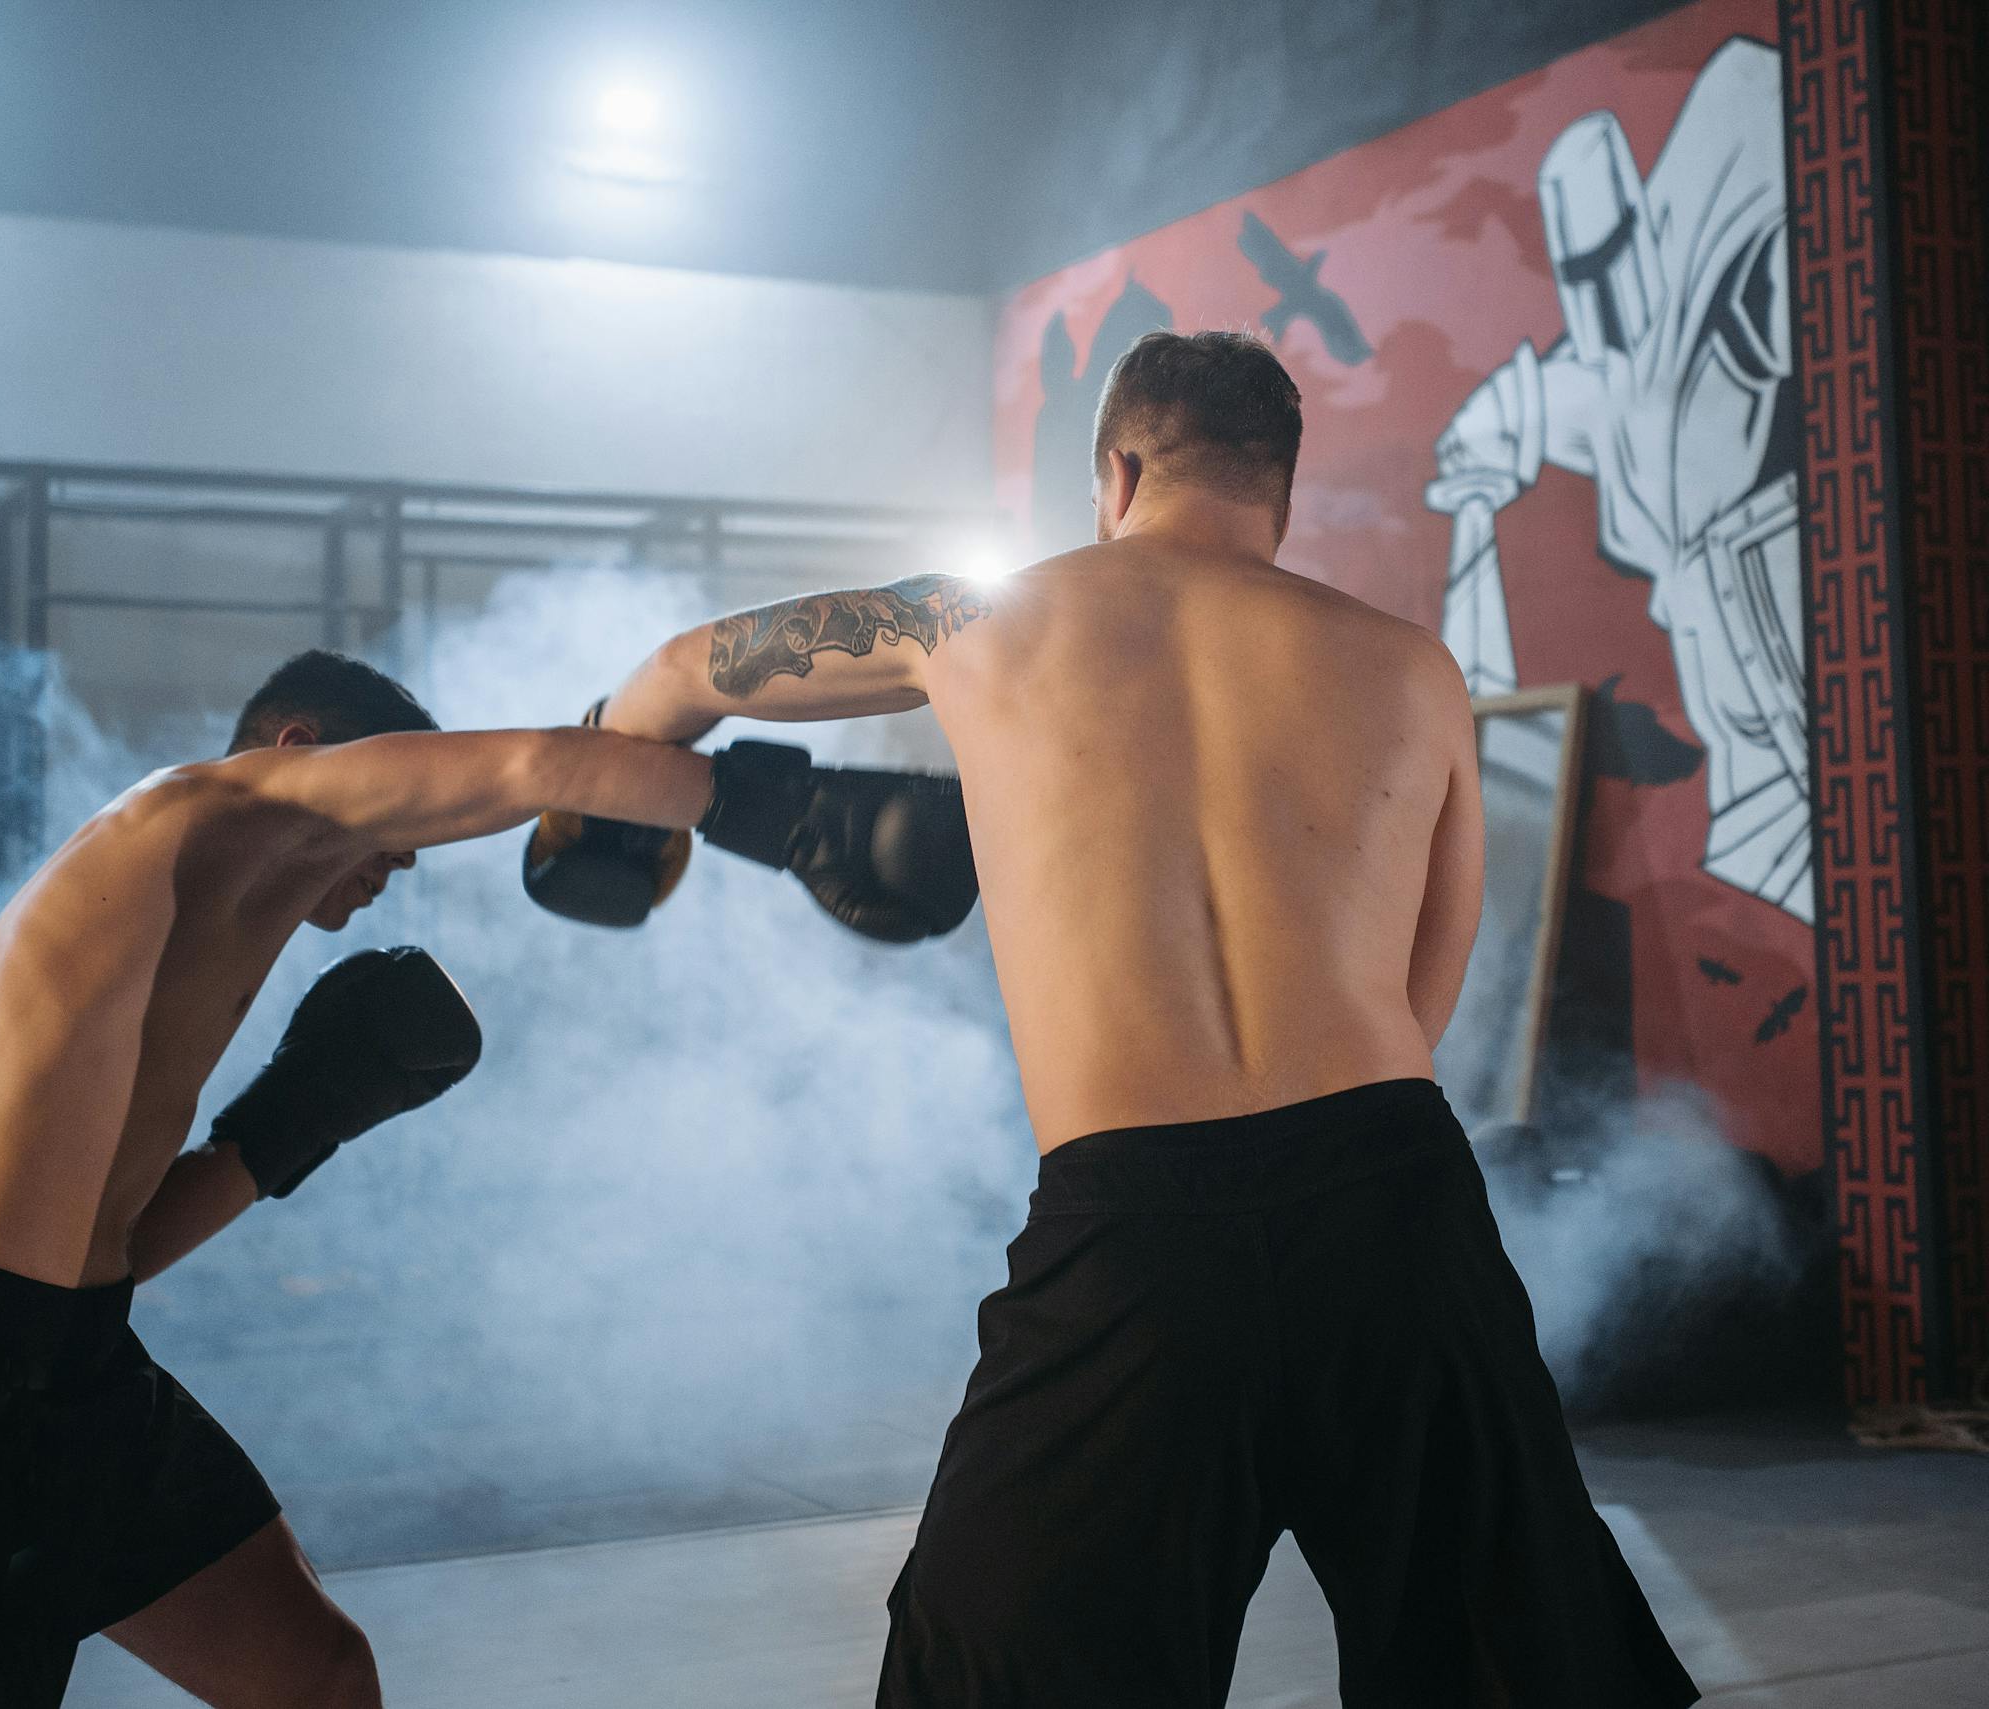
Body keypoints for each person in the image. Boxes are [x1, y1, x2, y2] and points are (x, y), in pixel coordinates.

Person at [554, 331, 1699, 1707]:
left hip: (1139, 1234)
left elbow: (682, 669)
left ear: (1116, 473)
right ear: (1280, 492)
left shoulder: (964, 623)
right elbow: (1426, 995)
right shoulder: (1414, 669)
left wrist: (609, 782)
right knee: (1519, 1666)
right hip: (1398, 1213)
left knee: (1003, 1669)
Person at [0, 648, 976, 1709]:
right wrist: (786, 812)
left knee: (317, 1678)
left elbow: (112, 1247)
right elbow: (524, 769)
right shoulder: (183, 811)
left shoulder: (196, 924)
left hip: (69, 1356)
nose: (391, 867)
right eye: (386, 833)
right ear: (299, 748)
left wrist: (285, 1129)